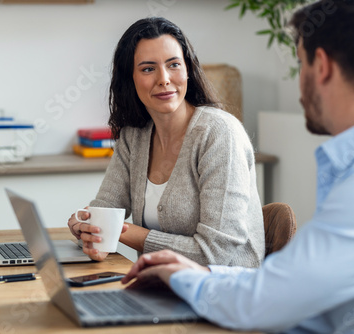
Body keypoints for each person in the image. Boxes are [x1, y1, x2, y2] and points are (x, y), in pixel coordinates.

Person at [121, 0, 354, 332]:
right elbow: (296, 290)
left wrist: (182, 278)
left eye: (301, 63)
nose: (300, 84)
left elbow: (261, 304)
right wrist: (203, 273)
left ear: (322, 66)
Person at [67, 17, 265, 267]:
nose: (164, 79)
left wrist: (123, 231)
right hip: (161, 287)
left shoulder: (219, 134)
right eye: (148, 69)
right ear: (130, 79)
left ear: (188, 70)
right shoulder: (134, 136)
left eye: (173, 65)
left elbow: (215, 253)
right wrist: (88, 227)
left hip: (224, 293)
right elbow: (106, 207)